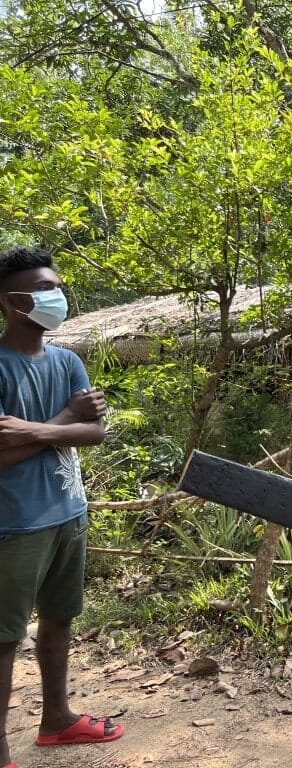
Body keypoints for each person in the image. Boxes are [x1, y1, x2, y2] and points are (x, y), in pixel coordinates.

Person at [0, 246, 122, 768]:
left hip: (68, 513)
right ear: (11, 301)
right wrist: (66, 421)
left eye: (56, 285)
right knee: (4, 637)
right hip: (14, 524)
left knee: (58, 619)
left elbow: (95, 431)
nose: (56, 295)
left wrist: (33, 429)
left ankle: (56, 719)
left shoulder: (67, 360)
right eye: (43, 288)